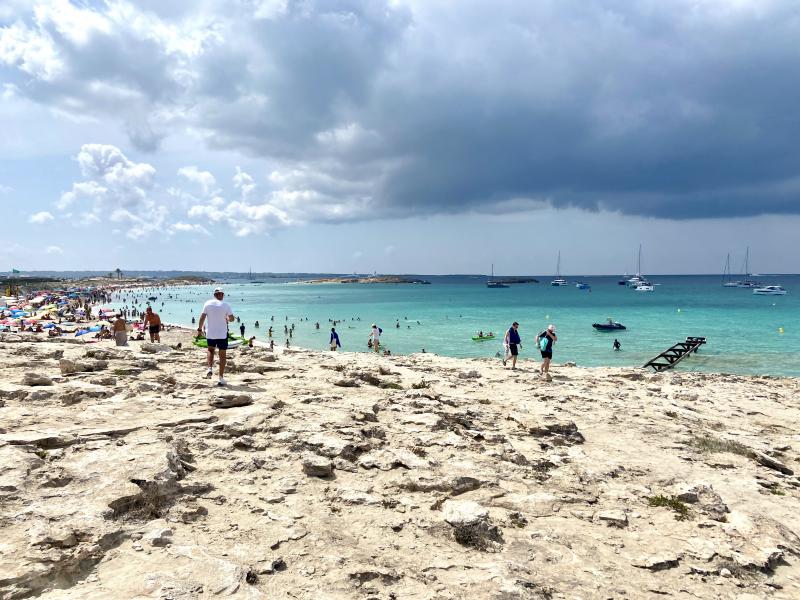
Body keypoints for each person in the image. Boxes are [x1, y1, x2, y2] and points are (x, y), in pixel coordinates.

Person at [196, 288, 235, 386]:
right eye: (222, 294)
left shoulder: (207, 303)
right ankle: (221, 378)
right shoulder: (226, 305)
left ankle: (209, 368)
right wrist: (227, 318)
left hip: (211, 333)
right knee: (222, 355)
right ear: (222, 295)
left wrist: (199, 330)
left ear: (214, 295)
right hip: (222, 334)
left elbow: (202, 317)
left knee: (210, 350)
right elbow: (232, 319)